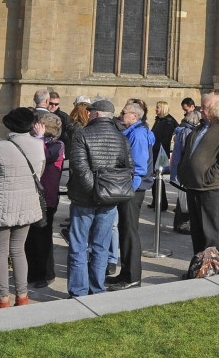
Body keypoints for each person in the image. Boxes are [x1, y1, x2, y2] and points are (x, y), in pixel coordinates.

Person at [0, 107, 45, 308]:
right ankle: (22, 296)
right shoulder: (38, 145)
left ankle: (3, 299)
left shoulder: (1, 147)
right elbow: (39, 173)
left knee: (0, 251)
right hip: (26, 203)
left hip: (2, 203)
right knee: (18, 250)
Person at [67, 99, 133, 296]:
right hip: (107, 199)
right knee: (100, 246)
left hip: (85, 199)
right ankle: (96, 289)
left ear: (96, 114)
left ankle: (79, 290)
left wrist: (94, 192)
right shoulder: (121, 137)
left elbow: (79, 169)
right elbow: (128, 169)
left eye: (90, 112)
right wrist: (106, 191)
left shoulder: (82, 134)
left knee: (79, 246)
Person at [177, 94, 219, 254]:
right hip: (192, 186)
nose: (201, 110)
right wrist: (183, 172)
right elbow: (186, 153)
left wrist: (209, 177)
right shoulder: (198, 129)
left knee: (210, 232)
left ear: (215, 110)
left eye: (205, 107)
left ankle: (211, 266)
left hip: (210, 188)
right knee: (197, 231)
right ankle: (199, 264)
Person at [109, 101, 154, 291]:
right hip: (129, 189)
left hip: (132, 190)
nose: (121, 114)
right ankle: (125, 272)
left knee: (130, 232)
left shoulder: (138, 134)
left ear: (134, 116)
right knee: (125, 231)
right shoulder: (132, 132)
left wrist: (130, 190)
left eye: (124, 112)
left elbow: (140, 167)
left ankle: (133, 277)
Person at [24, 112, 64, 288]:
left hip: (46, 198)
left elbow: (44, 157)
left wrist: (39, 138)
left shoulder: (58, 145)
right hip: (32, 195)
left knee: (43, 238)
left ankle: (46, 274)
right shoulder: (38, 142)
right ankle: (32, 272)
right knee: (30, 237)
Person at [150, 101, 179, 211]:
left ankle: (161, 203)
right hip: (155, 151)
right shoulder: (159, 120)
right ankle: (155, 201)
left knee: (159, 178)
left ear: (163, 108)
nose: (156, 109)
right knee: (155, 178)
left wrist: (156, 146)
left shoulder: (168, 121)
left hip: (161, 152)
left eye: (158, 107)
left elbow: (165, 139)